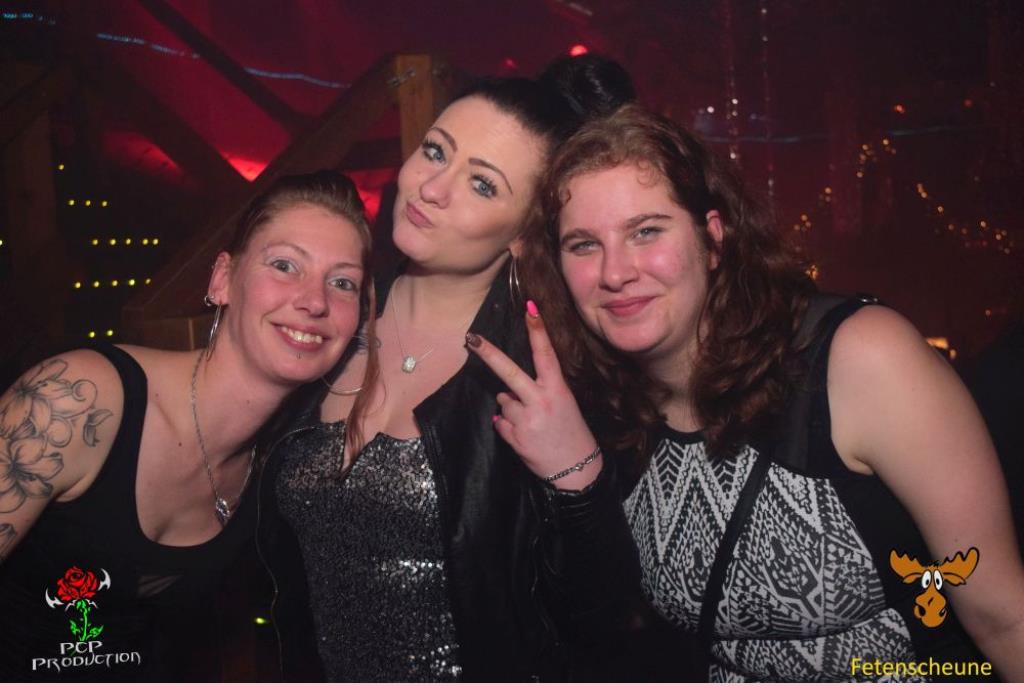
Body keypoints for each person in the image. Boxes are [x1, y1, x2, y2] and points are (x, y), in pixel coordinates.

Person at [467, 104, 1024, 681]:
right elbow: (594, 634)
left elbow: (1004, 617)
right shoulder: (601, 407)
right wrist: (574, 478)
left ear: (713, 240)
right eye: (583, 244)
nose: (615, 272)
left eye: (646, 231)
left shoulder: (860, 359)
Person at [255, 55, 638, 682]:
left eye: (483, 184)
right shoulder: (327, 318)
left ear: (523, 234)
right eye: (436, 152)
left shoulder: (545, 377)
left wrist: (578, 477)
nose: (432, 187)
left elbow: (602, 616)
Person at [0, 170, 374, 681]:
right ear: (222, 279)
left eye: (342, 282)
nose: (315, 301)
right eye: (284, 265)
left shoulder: (275, 464)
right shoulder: (77, 399)